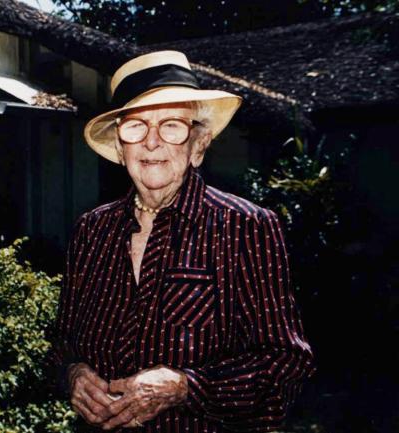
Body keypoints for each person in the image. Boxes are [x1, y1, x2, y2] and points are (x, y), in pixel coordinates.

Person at [49, 50, 315, 432]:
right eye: (136, 127)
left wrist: (185, 387)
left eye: (171, 126)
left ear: (198, 146)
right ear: (120, 148)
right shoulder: (92, 231)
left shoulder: (245, 227)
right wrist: (72, 373)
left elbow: (286, 363)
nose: (151, 143)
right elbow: (61, 341)